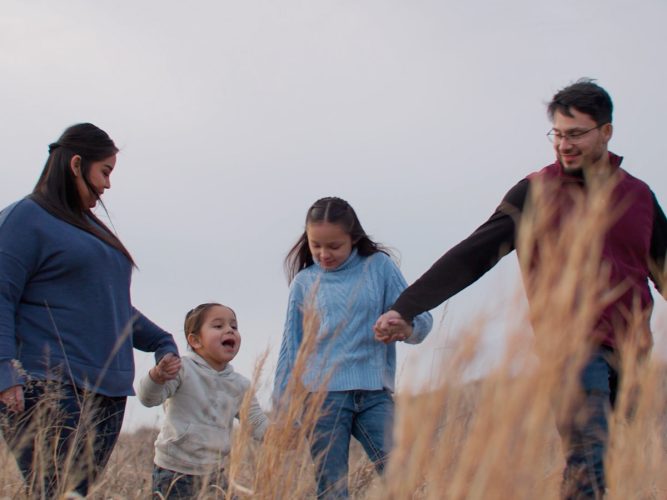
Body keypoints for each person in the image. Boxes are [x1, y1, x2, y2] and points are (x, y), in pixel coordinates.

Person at [374, 79, 667, 499]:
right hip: (570, 345)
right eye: (558, 134)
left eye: (576, 134)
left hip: (633, 350)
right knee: (590, 453)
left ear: (606, 131)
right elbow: (474, 254)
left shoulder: (639, 197)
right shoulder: (536, 191)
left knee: (610, 463)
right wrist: (407, 308)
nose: (564, 145)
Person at [0, 123, 181, 497]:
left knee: (74, 495)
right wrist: (4, 372)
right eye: (106, 171)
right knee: (56, 491)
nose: (108, 184)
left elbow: (110, 305)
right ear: (76, 164)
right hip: (48, 385)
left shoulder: (89, 228)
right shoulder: (24, 218)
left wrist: (159, 339)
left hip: (108, 392)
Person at [273, 196, 433, 499]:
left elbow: (422, 321)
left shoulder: (379, 268)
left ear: (353, 238)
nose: (323, 254)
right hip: (321, 400)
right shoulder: (304, 284)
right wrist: (283, 413)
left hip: (374, 395)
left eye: (334, 246)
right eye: (315, 245)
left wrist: (403, 327)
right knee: (332, 490)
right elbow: (290, 350)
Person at [138, 302, 268, 499]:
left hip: (213, 474)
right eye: (218, 326)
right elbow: (149, 399)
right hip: (174, 472)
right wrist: (157, 377)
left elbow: (257, 423)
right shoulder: (182, 369)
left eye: (234, 326)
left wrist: (282, 434)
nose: (229, 330)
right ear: (195, 340)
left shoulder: (239, 385)